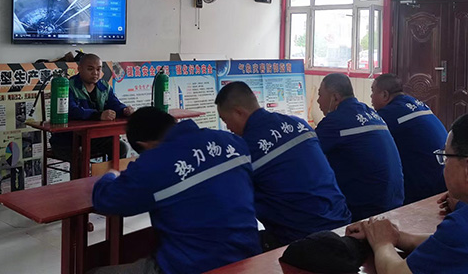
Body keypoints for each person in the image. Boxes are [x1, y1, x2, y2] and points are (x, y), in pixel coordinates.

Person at [346, 112, 468, 274]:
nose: (444, 164)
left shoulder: (466, 227)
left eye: (446, 157)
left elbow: (397, 272)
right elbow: (460, 247)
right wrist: (398, 237)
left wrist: (382, 244)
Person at [91, 107, 261, 274]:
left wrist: (110, 175)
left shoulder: (153, 163)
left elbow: (105, 200)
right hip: (250, 258)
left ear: (145, 145)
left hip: (192, 267)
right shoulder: (231, 141)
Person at [215, 81, 351, 249]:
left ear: (239, 112)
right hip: (341, 220)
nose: (228, 127)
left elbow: (234, 203)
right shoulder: (299, 124)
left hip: (302, 239)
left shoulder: (245, 149)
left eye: (226, 120)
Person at [315, 73, 404, 221]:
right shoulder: (370, 113)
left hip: (369, 210)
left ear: (335, 98)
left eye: (320, 95)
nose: (318, 100)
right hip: (395, 200)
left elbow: (307, 153)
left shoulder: (335, 121)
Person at [371, 73, 447, 204]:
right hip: (444, 173)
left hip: (426, 185)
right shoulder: (416, 103)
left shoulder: (390, 113)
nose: (371, 97)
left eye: (373, 92)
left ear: (384, 95)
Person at [50, 53, 134, 162]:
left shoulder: (104, 87)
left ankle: (111, 173)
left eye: (98, 69)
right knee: (79, 157)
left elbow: (114, 104)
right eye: (90, 69)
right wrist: (98, 115)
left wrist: (124, 110)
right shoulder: (68, 86)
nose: (95, 73)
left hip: (94, 138)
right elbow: (72, 111)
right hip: (67, 140)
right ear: (79, 69)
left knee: (120, 147)